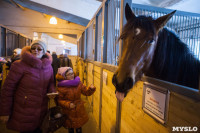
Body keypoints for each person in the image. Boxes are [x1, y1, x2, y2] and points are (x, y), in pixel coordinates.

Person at [0, 40, 56, 133]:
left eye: (39, 49)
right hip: (24, 110)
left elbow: (51, 83)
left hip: (42, 110)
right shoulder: (19, 65)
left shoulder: (48, 66)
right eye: (33, 48)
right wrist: (4, 112)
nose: (36, 50)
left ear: (44, 51)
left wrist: (52, 90)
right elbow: (7, 89)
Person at [56, 67, 95, 133]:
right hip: (68, 111)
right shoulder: (61, 87)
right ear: (64, 76)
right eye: (69, 74)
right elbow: (59, 100)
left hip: (78, 109)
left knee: (79, 127)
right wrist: (68, 104)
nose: (72, 75)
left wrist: (91, 89)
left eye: (72, 73)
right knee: (70, 128)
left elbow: (86, 92)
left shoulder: (78, 83)